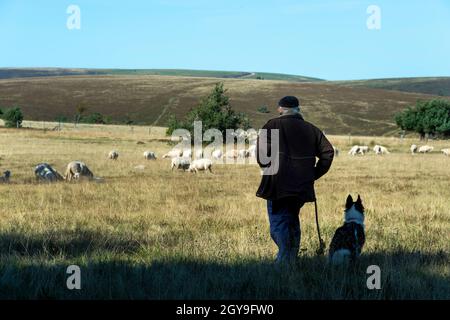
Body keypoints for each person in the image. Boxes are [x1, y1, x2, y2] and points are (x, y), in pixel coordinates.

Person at [256, 96, 334, 264]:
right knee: (292, 219)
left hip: (278, 185)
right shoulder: (311, 129)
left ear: (279, 109)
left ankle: (285, 261)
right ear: (298, 109)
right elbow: (328, 153)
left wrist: (271, 168)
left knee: (278, 222)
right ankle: (291, 258)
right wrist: (312, 174)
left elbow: (262, 157)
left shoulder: (272, 126)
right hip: (301, 185)